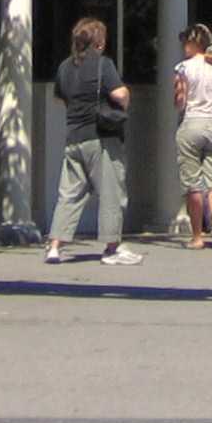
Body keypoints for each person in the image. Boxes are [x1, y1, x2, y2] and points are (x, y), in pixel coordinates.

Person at [45, 16, 140, 266]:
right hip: (101, 138)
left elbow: (60, 98)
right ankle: (112, 248)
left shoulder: (65, 67)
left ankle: (55, 245)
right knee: (111, 192)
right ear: (99, 42)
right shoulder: (103, 64)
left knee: (69, 194)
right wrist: (125, 100)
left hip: (73, 137)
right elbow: (119, 94)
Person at [171, 23, 212, 251]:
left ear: (191, 43)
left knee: (192, 184)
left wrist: (179, 93)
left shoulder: (183, 67)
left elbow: (180, 102)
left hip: (191, 123)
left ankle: (197, 236)